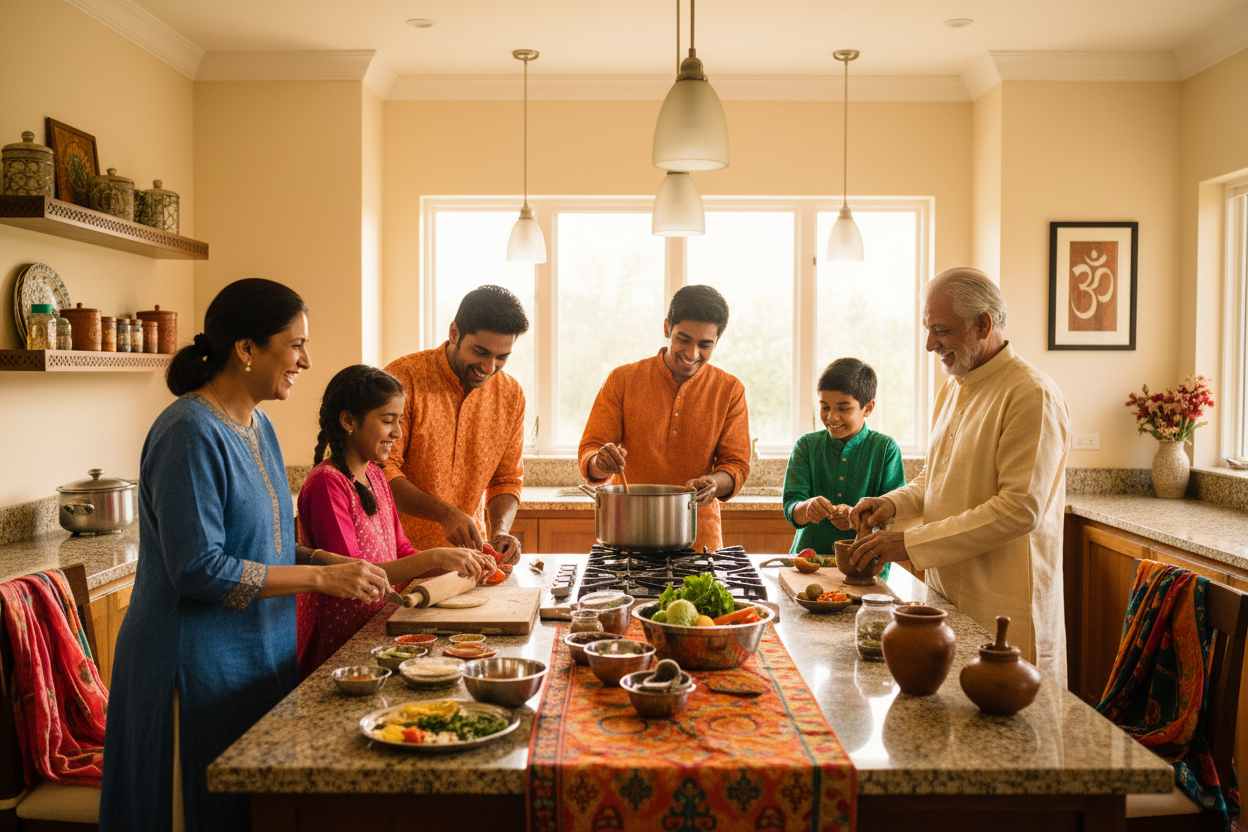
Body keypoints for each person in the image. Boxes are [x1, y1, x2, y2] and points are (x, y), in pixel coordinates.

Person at [101, 279, 394, 832]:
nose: (306, 360)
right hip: (193, 669)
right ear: (246, 348)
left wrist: (317, 560)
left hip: (256, 662)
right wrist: (318, 583)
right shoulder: (189, 430)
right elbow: (197, 569)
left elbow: (268, 544)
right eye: (296, 344)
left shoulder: (260, 425)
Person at [848, 267, 1071, 684]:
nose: (930, 344)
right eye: (927, 329)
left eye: (941, 330)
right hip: (946, 598)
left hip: (1006, 610)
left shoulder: (1030, 393)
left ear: (983, 324)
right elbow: (938, 476)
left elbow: (1019, 509)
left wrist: (907, 541)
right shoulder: (953, 387)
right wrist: (892, 503)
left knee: (1010, 742)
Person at [295, 365, 495, 680]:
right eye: (388, 421)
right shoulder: (327, 482)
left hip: (377, 626)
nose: (398, 433)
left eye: (399, 420)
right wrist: (435, 556)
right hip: (337, 640)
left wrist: (456, 563)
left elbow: (401, 550)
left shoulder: (376, 474)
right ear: (349, 420)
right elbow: (352, 576)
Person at [579, 284, 751, 553]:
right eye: (683, 339)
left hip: (698, 540)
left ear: (717, 341)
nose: (692, 354)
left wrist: (715, 483)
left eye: (705, 345)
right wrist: (600, 462)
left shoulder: (730, 390)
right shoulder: (622, 380)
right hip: (626, 537)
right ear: (667, 328)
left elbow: (736, 465)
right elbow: (590, 451)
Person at [382, 286, 528, 561]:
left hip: (470, 565)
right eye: (480, 352)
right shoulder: (403, 379)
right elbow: (382, 472)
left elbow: (506, 480)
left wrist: (500, 532)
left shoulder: (511, 395)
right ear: (454, 333)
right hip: (399, 563)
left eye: (501, 357)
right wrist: (444, 513)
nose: (488, 367)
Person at [783, 358, 905, 579]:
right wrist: (808, 507)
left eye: (843, 408)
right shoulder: (807, 445)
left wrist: (858, 520)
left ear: (868, 408)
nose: (831, 417)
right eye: (824, 407)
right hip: (806, 568)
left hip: (866, 570)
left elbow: (895, 520)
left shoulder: (886, 449)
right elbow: (792, 508)